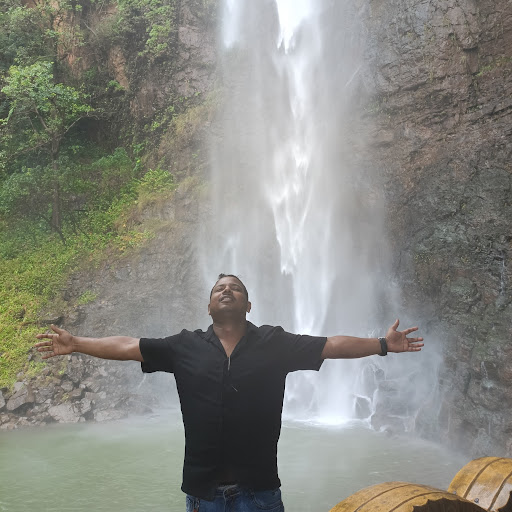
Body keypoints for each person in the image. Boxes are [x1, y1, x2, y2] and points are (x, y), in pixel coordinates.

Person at [35, 273, 424, 512]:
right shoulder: (184, 346)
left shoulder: (275, 342)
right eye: (220, 288)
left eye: (235, 288)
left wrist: (383, 344)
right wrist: (77, 343)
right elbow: (128, 346)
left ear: (248, 304)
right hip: (203, 495)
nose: (227, 291)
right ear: (208, 306)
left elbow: (331, 345)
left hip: (260, 492)